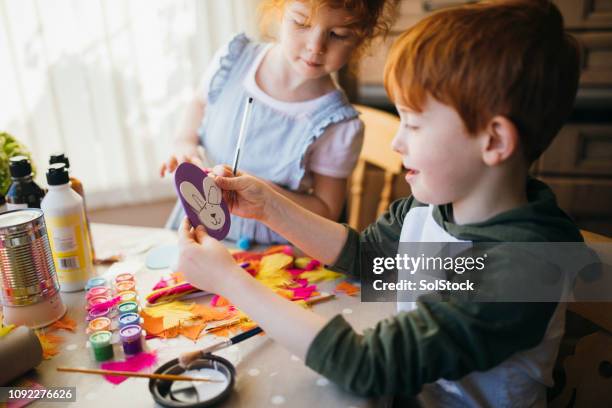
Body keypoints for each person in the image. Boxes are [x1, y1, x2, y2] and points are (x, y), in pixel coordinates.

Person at [177, 1, 582, 406]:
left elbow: (369, 366)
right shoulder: (431, 209)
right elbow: (367, 257)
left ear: (493, 141)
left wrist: (231, 282)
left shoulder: (527, 265)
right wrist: (268, 206)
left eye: (415, 124)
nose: (396, 142)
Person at [161, 0, 396, 244]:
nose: (316, 46)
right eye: (301, 23)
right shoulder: (233, 59)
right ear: (278, 10)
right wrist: (184, 143)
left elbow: (326, 211)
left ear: (362, 38)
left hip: (269, 253)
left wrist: (265, 196)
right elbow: (199, 103)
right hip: (195, 228)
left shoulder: (337, 125)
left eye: (338, 34)